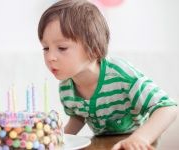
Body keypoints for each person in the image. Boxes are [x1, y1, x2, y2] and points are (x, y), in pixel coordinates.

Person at [37, 0, 178, 149]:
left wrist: (139, 138)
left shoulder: (122, 75)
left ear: (94, 49)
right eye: (45, 48)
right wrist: (57, 139)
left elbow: (168, 108)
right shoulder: (66, 87)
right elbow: (78, 116)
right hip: (104, 145)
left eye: (62, 47)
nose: (50, 57)